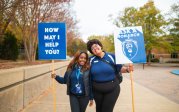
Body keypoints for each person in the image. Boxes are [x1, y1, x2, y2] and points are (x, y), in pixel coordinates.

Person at [87, 39, 133, 112]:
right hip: (96, 91)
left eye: (96, 46)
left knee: (107, 110)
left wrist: (128, 69)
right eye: (92, 48)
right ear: (91, 51)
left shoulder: (112, 56)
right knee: (99, 110)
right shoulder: (90, 60)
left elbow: (120, 68)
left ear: (100, 46)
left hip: (112, 89)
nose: (95, 48)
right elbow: (83, 69)